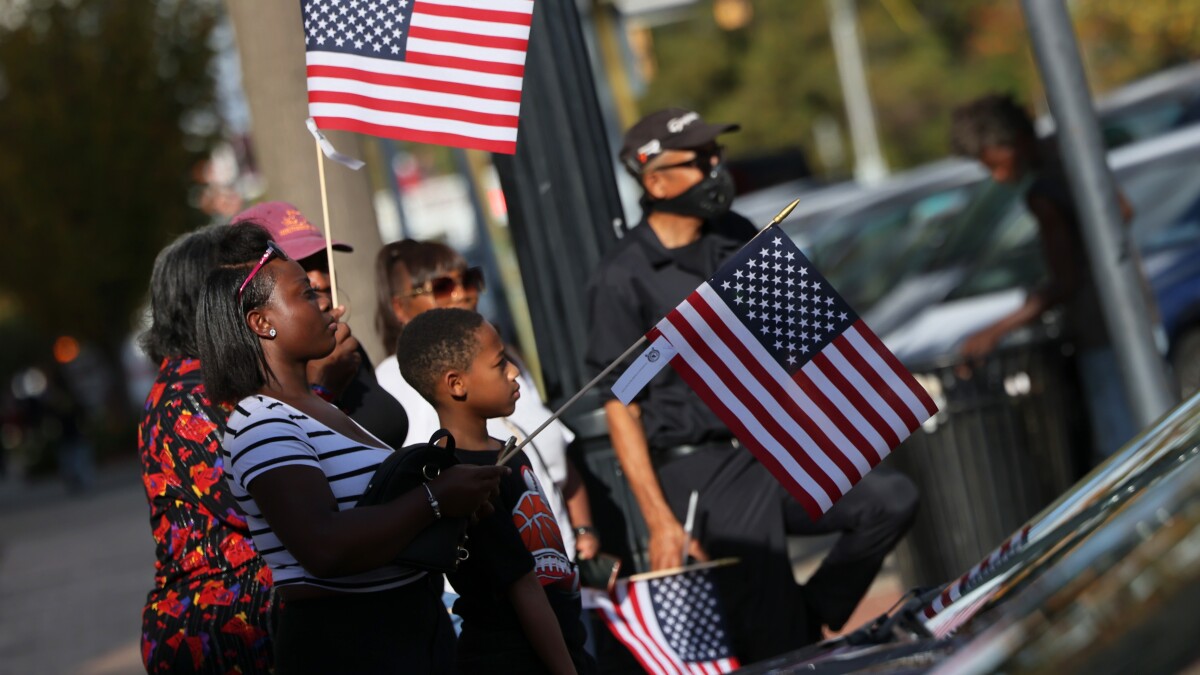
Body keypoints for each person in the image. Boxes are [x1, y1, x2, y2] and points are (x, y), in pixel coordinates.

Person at [585, 108, 919, 662]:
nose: (716, 169)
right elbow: (623, 402)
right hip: (704, 467)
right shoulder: (624, 276)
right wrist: (660, 520)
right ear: (655, 181)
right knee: (771, 638)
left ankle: (811, 616)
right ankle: (794, 633)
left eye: (717, 155)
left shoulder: (737, 235)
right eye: (699, 160)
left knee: (890, 499)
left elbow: (801, 339)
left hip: (773, 443)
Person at [195, 222, 507, 673]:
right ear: (262, 323)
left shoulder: (322, 408)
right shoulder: (260, 422)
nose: (326, 304)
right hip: (351, 644)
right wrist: (436, 499)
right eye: (306, 294)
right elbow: (323, 546)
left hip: (413, 633)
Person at [374, 240, 599, 563]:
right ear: (400, 308)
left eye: (469, 280)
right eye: (442, 287)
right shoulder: (390, 381)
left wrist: (583, 530)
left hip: (562, 567)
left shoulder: (508, 363)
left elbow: (555, 453)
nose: (462, 294)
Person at [396, 308, 594, 674]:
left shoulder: (508, 453)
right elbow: (523, 587)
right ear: (456, 383)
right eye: (500, 363)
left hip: (564, 645)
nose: (514, 371)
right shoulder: (462, 478)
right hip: (515, 660)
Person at [950, 93, 1137, 459]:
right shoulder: (1072, 156)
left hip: (1100, 330)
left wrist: (994, 331)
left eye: (995, 164)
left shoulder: (1043, 194)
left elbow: (1065, 282)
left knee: (1121, 450)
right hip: (1136, 312)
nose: (997, 176)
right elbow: (1125, 210)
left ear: (1015, 142)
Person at [138, 226, 273, 673]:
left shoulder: (230, 379)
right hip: (223, 633)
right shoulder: (186, 398)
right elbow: (269, 499)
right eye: (246, 286)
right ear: (204, 300)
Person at [231, 201, 410, 449]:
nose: (320, 281)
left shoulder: (348, 351)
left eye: (324, 263)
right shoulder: (251, 396)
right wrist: (321, 389)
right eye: (301, 267)